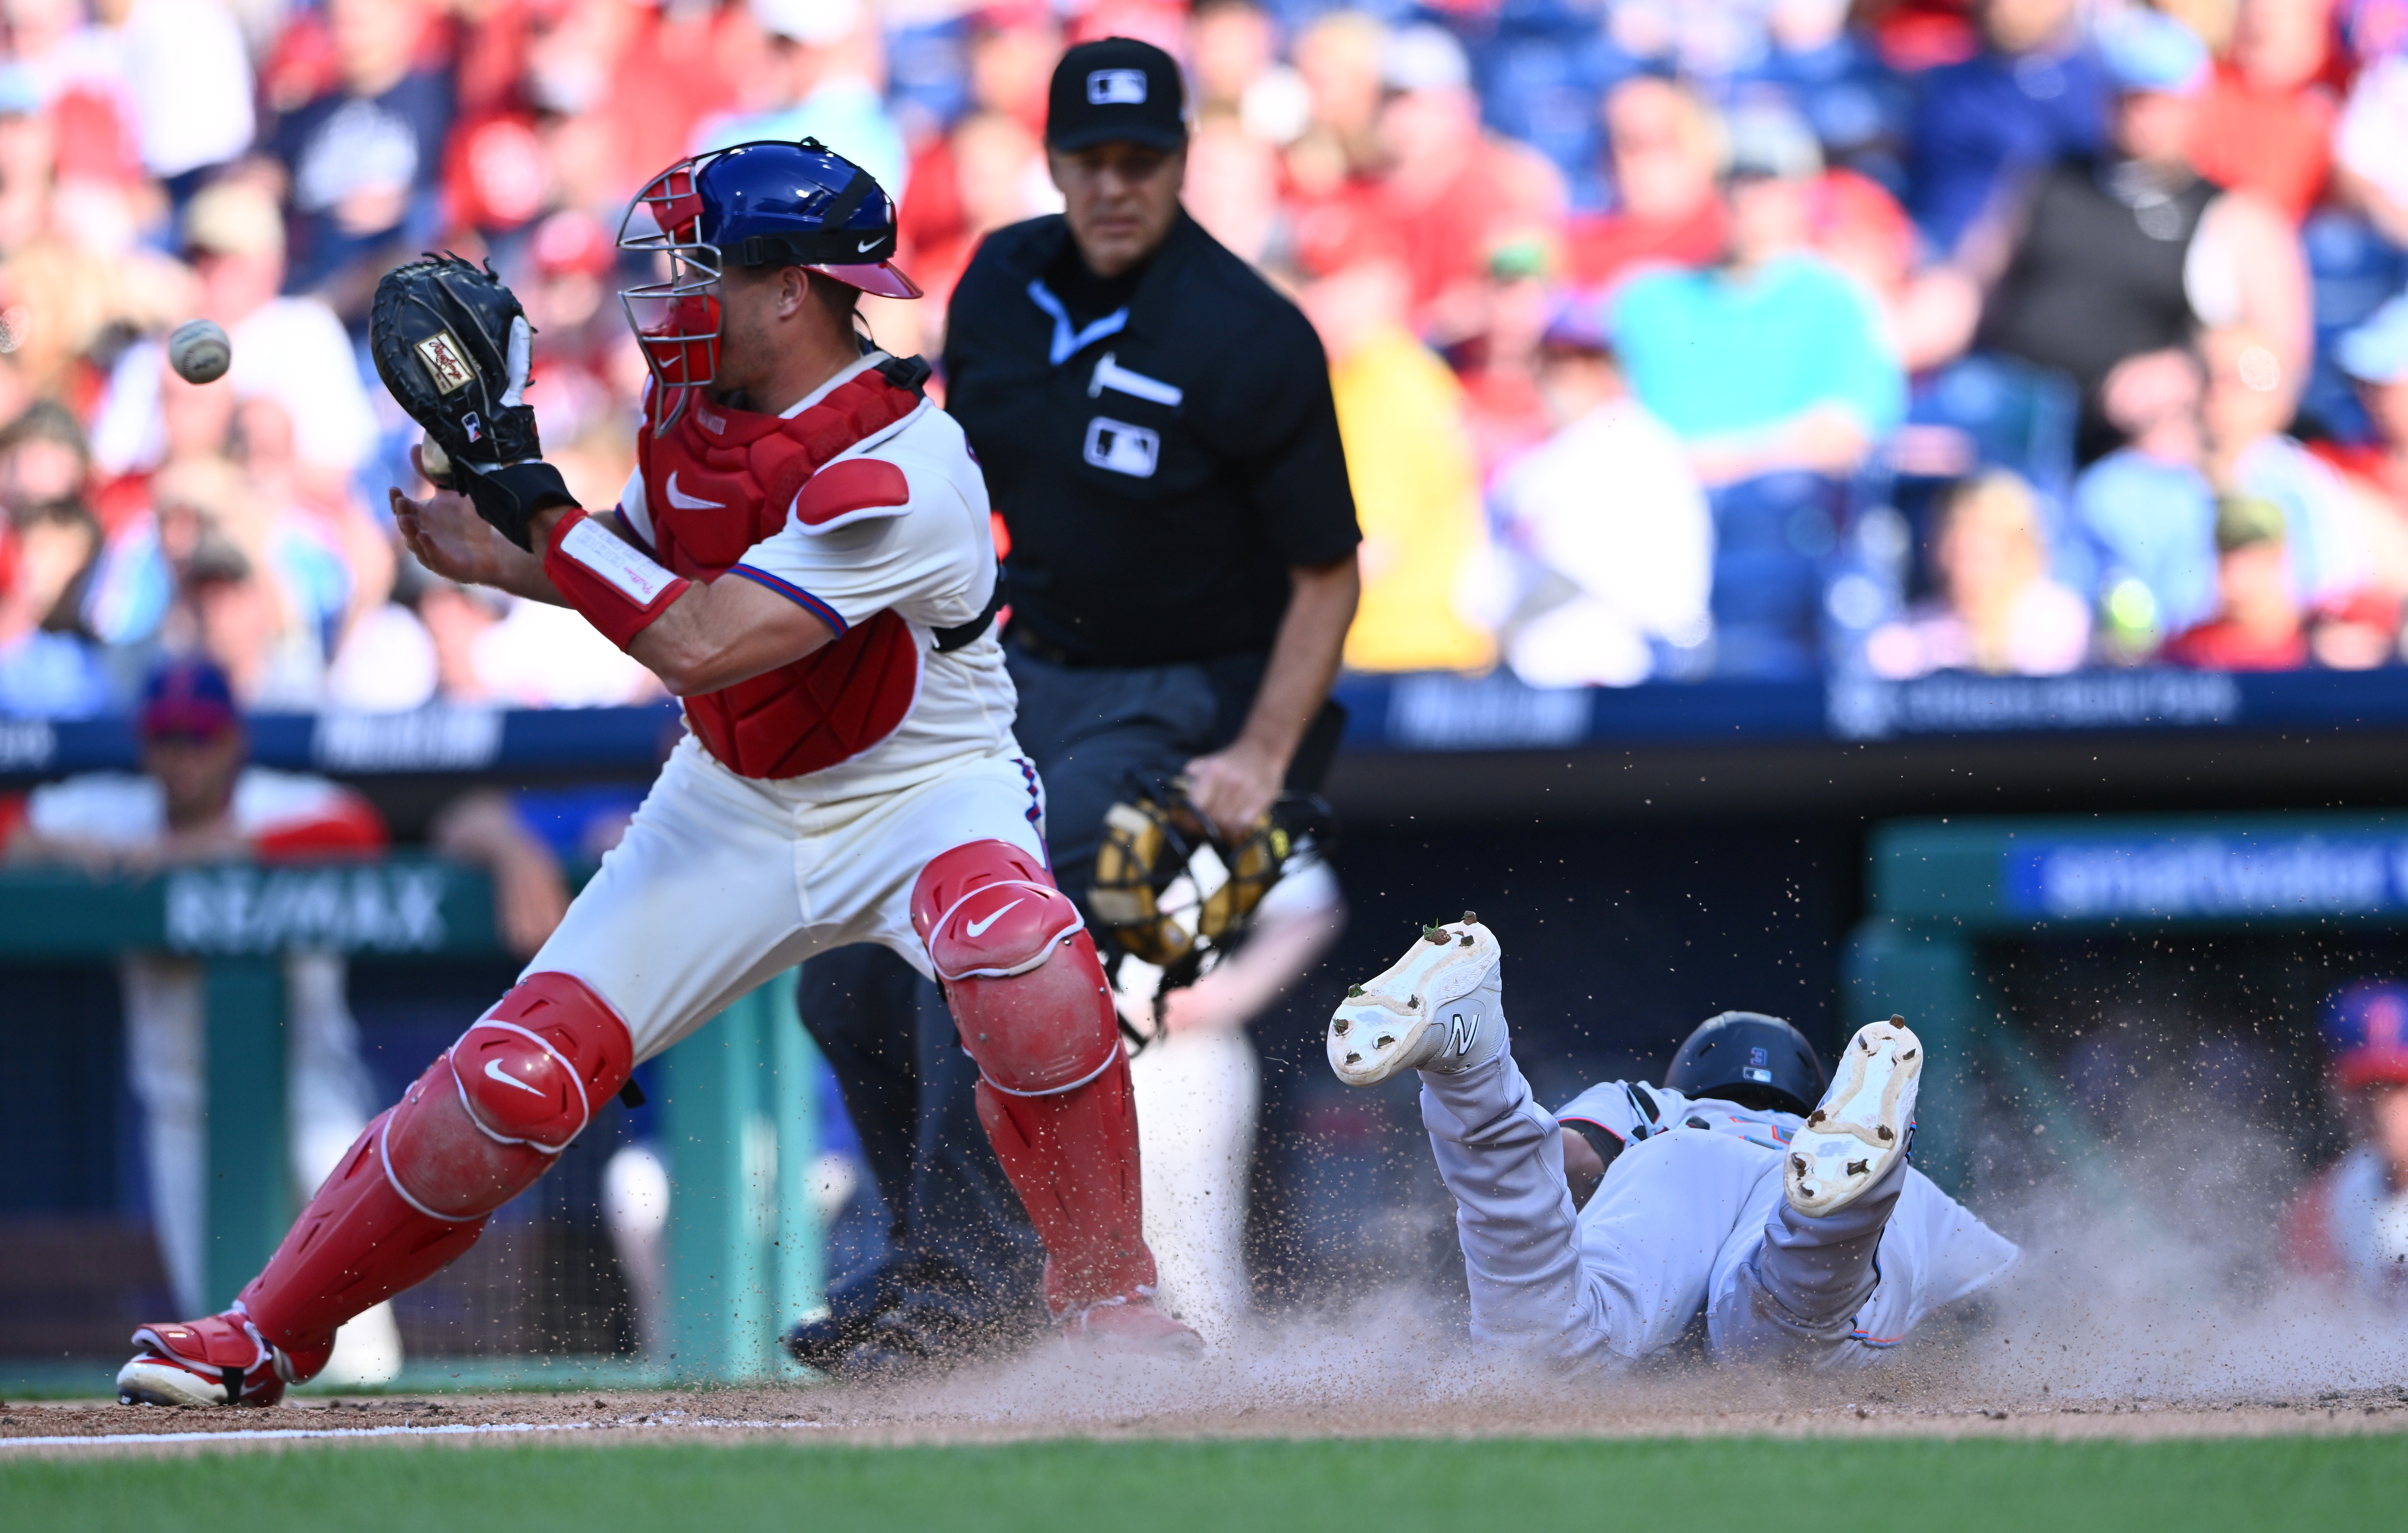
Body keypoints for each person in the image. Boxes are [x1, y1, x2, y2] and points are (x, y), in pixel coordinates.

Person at [113, 137, 1199, 1409]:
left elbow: (696, 634)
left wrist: (540, 506)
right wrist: (506, 549)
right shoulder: (692, 420)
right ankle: (259, 1329)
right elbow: (650, 566)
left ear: (792, 288)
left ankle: (1114, 1296)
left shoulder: (906, 465)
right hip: (731, 796)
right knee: (514, 1075)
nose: (665, 296)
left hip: (922, 787)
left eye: (699, 270)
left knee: (1017, 949)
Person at [783, 37, 1362, 1376]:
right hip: (1025, 668)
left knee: (989, 922)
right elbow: (945, 476)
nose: (1114, 185)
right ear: (1051, 163)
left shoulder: (1249, 335)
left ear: (1179, 164)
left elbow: (1327, 576)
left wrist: (1263, 754)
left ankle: (969, 1290)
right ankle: (946, 1255)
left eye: (1141, 161)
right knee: (850, 976)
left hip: (1188, 700)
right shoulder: (995, 282)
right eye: (1090, 160)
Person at [1325, 915, 2021, 1371]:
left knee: (1544, 1349)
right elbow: (2013, 1294)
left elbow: (1559, 1158)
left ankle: (1469, 1064)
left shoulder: (1660, 1109)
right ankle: (1841, 1207)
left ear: (1693, 1073)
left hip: (1675, 1164)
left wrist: (1511, 1180)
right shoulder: (1923, 1200)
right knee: (1783, 1344)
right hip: (1812, 1184)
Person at [6, 657, 404, 1385]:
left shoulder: (276, 802)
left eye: (200, 736)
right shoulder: (114, 813)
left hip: (308, 1092)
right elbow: (12, 826)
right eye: (167, 738)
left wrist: (218, 855)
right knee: (226, 1329)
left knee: (361, 1349)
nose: (183, 755)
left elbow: (358, 829)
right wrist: (65, 854)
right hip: (185, 1107)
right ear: (144, 745)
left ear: (233, 742)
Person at [1973, 8, 2310, 464]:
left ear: (2193, 106)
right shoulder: (2050, 182)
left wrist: (2194, 371)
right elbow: (1972, 292)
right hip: (2016, 407)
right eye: (2128, 98)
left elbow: (2277, 371)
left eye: (2157, 100)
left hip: (2144, 440)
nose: (2141, 116)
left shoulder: (2235, 219)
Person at [1481, 298, 1711, 688]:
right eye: (1555, 361)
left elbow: (1576, 574)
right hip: (1530, 666)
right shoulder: (1525, 464)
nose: (1569, 375)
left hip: (1624, 665)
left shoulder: (1639, 446)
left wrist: (1502, 631)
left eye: (1588, 360)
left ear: (1612, 369)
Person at [2285, 980, 2408, 1299]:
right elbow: (2306, 1328)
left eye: (2397, 1087)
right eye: (2364, 1088)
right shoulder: (2325, 1202)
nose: (2378, 1108)